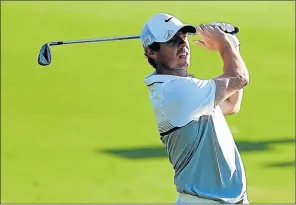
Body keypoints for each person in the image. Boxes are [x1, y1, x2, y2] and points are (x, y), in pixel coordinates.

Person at [140, 13, 250, 204]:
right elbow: (239, 78)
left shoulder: (184, 89)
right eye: (172, 40)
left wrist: (232, 44)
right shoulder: (174, 91)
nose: (182, 44)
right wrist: (225, 45)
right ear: (152, 52)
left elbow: (232, 104)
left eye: (183, 37)